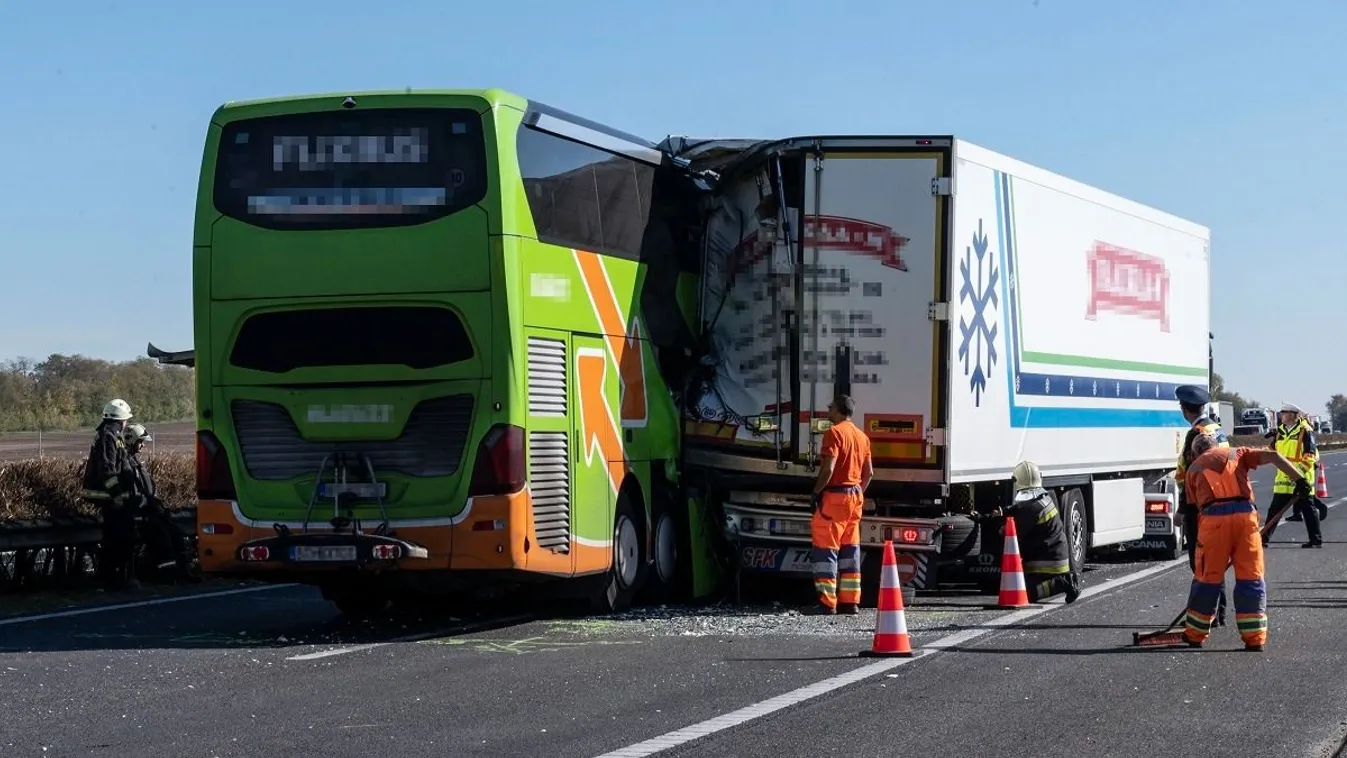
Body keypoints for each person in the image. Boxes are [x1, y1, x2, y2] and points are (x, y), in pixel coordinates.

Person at [1181, 433, 1312, 651]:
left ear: (1195, 452)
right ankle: (1255, 638)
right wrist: (1300, 480)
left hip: (1213, 521)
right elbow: (1274, 456)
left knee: (1207, 577)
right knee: (1250, 576)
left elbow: (1193, 512)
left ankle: (1195, 634)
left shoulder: (1193, 469)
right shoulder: (1237, 453)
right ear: (1218, 445)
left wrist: (1197, 548)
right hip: (1245, 519)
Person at [804, 394, 873, 616]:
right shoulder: (862, 437)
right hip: (854, 497)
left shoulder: (834, 433)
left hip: (835, 496)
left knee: (826, 549)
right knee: (849, 550)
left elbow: (828, 469)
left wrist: (816, 492)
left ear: (840, 410)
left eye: (831, 407)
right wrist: (857, 493)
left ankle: (827, 602)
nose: (828, 410)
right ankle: (850, 602)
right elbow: (869, 473)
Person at [1173, 385, 1229, 625]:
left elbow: (1190, 475)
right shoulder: (1217, 430)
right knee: (1216, 558)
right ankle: (1220, 613)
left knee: (1202, 562)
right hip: (1222, 500)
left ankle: (1207, 613)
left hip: (1201, 506)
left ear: (1184, 409)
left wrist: (1182, 509)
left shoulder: (1195, 433)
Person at [124, 423, 200, 583]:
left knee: (177, 537)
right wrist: (147, 506)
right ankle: (167, 576)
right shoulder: (125, 463)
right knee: (162, 541)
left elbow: (147, 488)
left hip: (152, 511)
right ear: (131, 441)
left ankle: (183, 573)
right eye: (140, 442)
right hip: (141, 515)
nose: (143, 445)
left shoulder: (135, 462)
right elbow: (132, 493)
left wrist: (157, 504)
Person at [1002, 461, 1082, 604]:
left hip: (1048, 562)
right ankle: (1061, 580)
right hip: (1051, 556)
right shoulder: (1042, 500)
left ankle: (1065, 582)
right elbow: (1020, 510)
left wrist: (1001, 528)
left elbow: (1017, 526)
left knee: (1028, 593)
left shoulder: (1033, 508)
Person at [79, 399, 138, 590]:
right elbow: (108, 469)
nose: (127, 423)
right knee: (120, 537)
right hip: (110, 497)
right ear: (120, 420)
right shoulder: (108, 436)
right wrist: (116, 495)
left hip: (115, 497)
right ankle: (117, 579)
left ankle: (115, 578)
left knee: (117, 537)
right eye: (126, 420)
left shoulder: (113, 435)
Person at [1262, 402, 1323, 548]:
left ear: (1292, 415)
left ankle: (1315, 540)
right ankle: (1263, 539)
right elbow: (1270, 451)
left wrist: (1298, 475)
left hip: (1301, 479)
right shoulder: (1280, 431)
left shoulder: (1305, 431)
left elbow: (1310, 455)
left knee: (1308, 509)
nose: (1281, 416)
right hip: (1283, 480)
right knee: (1274, 511)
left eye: (1283, 413)